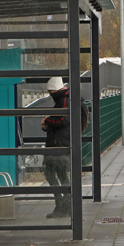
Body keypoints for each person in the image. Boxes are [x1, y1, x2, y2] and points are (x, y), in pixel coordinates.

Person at [40, 76, 88, 219]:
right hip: (62, 143)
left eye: (50, 91)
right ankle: (65, 205)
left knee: (50, 173)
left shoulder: (65, 99)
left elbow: (63, 119)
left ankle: (63, 204)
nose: (50, 94)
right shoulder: (68, 98)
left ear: (54, 89)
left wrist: (47, 120)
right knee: (60, 174)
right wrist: (48, 124)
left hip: (59, 145)